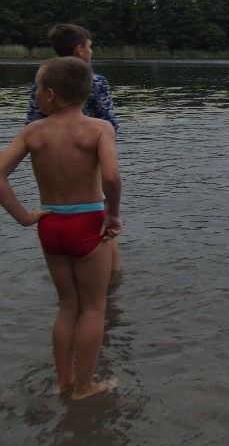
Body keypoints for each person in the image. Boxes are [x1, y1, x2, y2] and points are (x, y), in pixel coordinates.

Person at [0, 57, 122, 400]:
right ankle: (85, 386)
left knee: (67, 306)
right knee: (94, 308)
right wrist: (113, 215)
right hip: (87, 222)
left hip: (51, 223)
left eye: (37, 88)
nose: (36, 94)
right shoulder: (99, 128)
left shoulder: (33, 132)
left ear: (50, 95)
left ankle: (64, 380)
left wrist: (24, 217)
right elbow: (111, 176)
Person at [26, 23, 121, 271]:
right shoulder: (96, 80)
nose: (91, 51)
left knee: (58, 212)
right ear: (79, 50)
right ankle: (111, 279)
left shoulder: (42, 81)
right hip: (89, 154)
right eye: (90, 47)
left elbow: (32, 123)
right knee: (101, 216)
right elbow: (109, 121)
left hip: (52, 160)